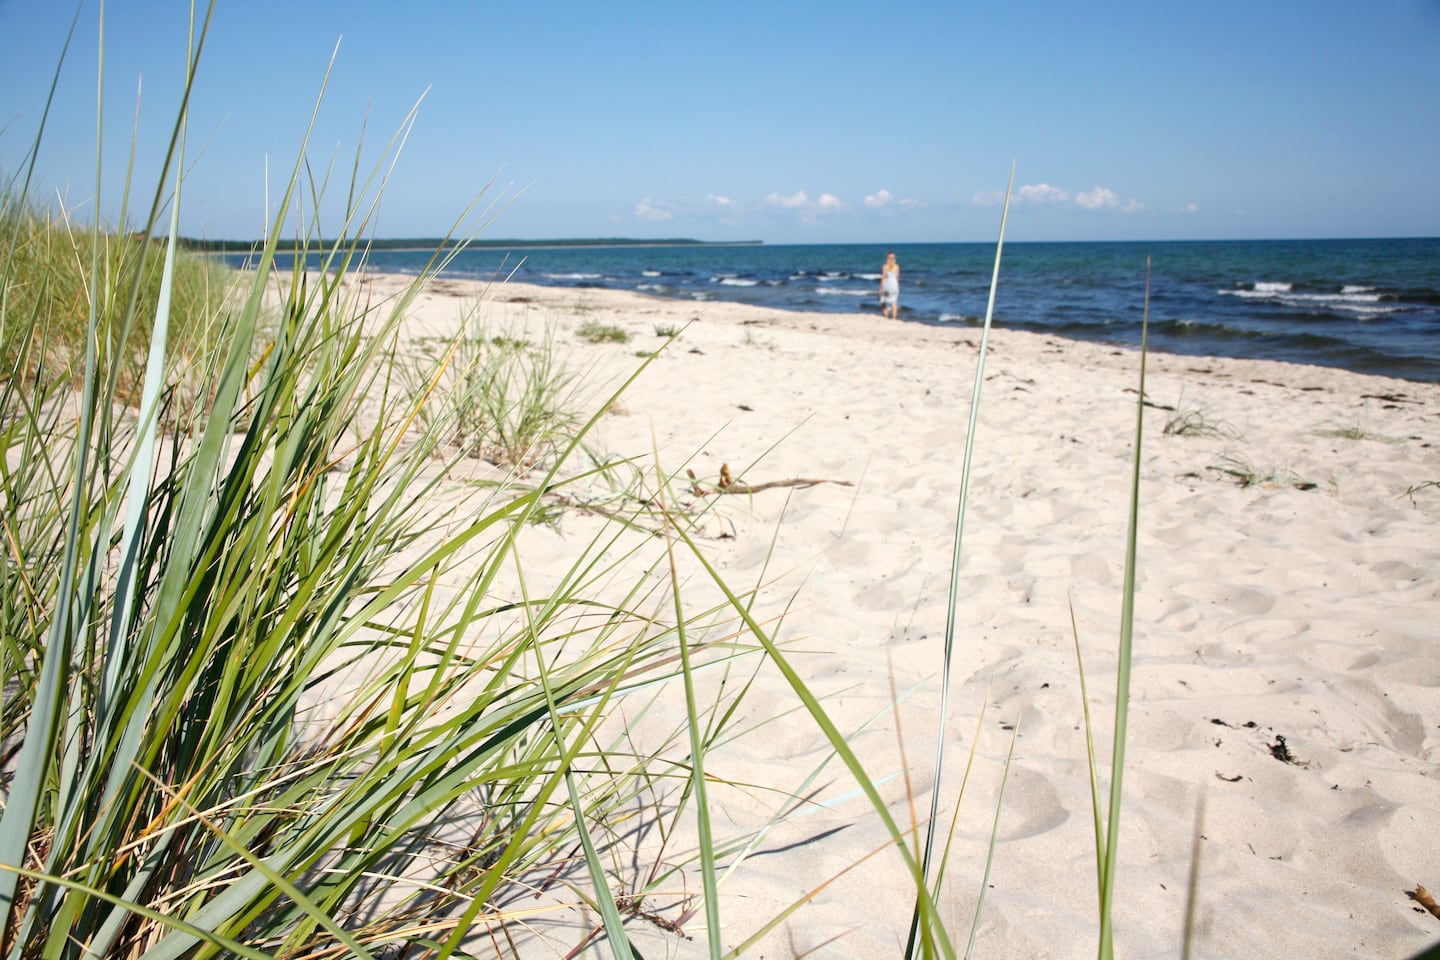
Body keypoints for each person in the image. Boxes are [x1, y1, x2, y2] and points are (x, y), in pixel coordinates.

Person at [879, 251, 900, 319]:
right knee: (894, 303)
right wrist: (897, 286)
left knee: (883, 301)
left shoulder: (885, 266)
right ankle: (894, 318)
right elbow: (897, 277)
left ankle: (886, 316)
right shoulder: (897, 267)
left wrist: (881, 288)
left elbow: (883, 277)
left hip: (887, 285)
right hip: (894, 285)